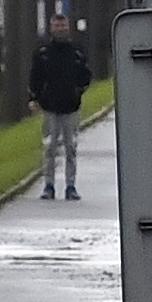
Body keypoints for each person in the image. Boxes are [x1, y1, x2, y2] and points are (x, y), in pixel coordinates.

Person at [29, 17, 91, 200]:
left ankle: (70, 186)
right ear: (51, 28)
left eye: (63, 25)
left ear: (68, 27)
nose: (60, 29)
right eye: (57, 26)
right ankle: (49, 185)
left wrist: (78, 91)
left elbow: (86, 75)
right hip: (49, 107)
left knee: (71, 147)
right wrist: (33, 98)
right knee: (50, 147)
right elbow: (35, 78)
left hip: (71, 107)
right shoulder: (43, 53)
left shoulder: (77, 52)